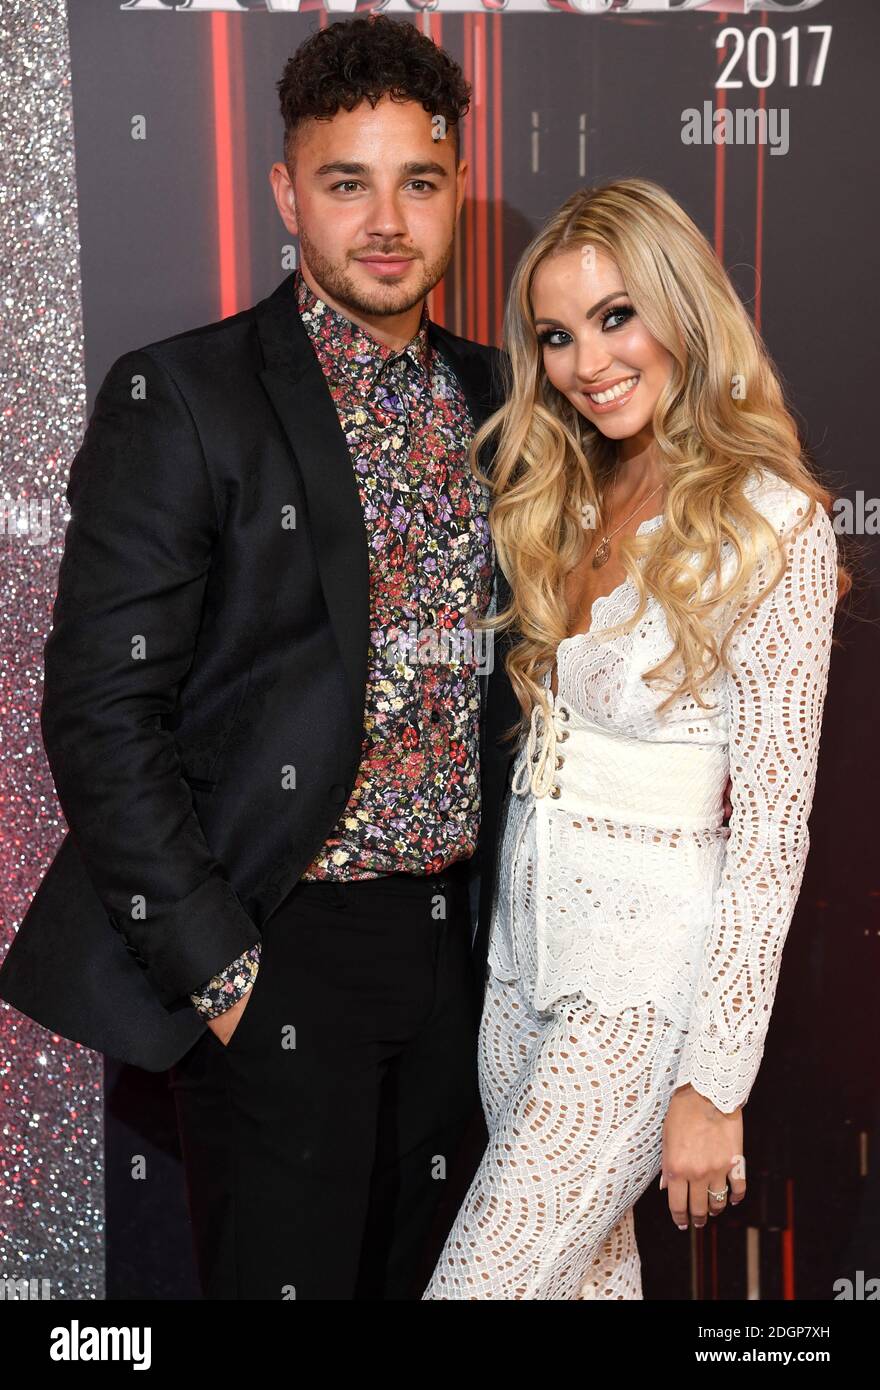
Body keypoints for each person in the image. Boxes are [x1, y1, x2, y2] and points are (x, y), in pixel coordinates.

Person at [0, 16, 507, 1299]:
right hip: (283, 941)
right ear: (288, 194)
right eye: (349, 182)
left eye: (420, 181)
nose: (386, 220)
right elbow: (102, 712)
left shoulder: (506, 405)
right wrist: (222, 973)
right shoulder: (182, 397)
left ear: (458, 188)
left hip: (467, 955)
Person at [423, 177, 849, 1300]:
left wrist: (715, 1080)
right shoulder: (569, 490)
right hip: (518, 974)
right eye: (556, 335)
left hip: (640, 992)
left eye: (616, 316)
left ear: (680, 308)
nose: (586, 361)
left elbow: (769, 826)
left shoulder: (772, 522)